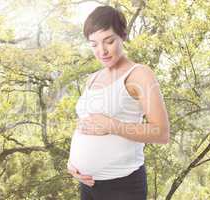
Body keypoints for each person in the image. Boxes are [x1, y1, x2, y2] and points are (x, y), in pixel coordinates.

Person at [67, 5, 170, 200]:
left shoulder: (139, 74)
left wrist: (113, 126)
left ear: (122, 36)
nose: (102, 51)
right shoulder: (92, 78)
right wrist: (73, 163)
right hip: (87, 184)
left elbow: (162, 133)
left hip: (122, 187)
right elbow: (86, 125)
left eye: (109, 41)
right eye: (94, 44)